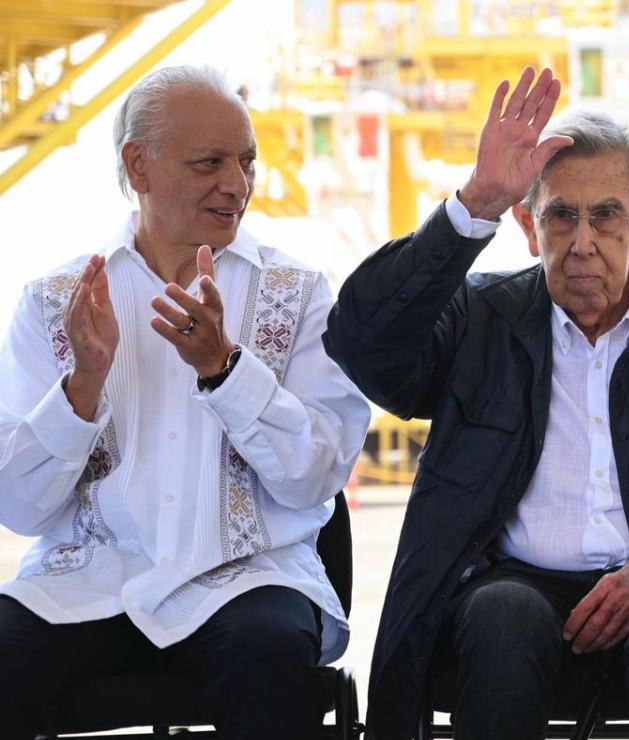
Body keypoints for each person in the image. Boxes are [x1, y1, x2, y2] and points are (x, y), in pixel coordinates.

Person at [323, 67, 629, 740]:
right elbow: (361, 344)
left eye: (606, 215)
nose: (582, 242)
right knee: (502, 611)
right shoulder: (476, 321)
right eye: (560, 216)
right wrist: (473, 204)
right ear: (527, 225)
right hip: (511, 585)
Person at [0, 65, 370, 740]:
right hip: (87, 585)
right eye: (210, 162)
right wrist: (82, 383)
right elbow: (19, 509)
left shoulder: (301, 292)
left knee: (269, 660)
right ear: (138, 166)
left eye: (246, 162)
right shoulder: (55, 302)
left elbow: (316, 477)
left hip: (249, 584)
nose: (237, 184)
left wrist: (224, 369)